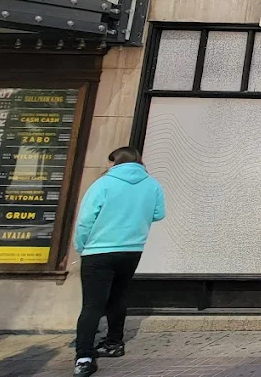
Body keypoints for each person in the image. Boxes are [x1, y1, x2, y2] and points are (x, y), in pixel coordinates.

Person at [72, 147, 165, 377]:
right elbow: (158, 213)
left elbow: (85, 220)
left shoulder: (103, 184)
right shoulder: (152, 184)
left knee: (92, 304)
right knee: (118, 297)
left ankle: (84, 356)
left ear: (116, 162)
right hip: (132, 249)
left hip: (98, 250)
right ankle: (114, 343)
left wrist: (81, 246)